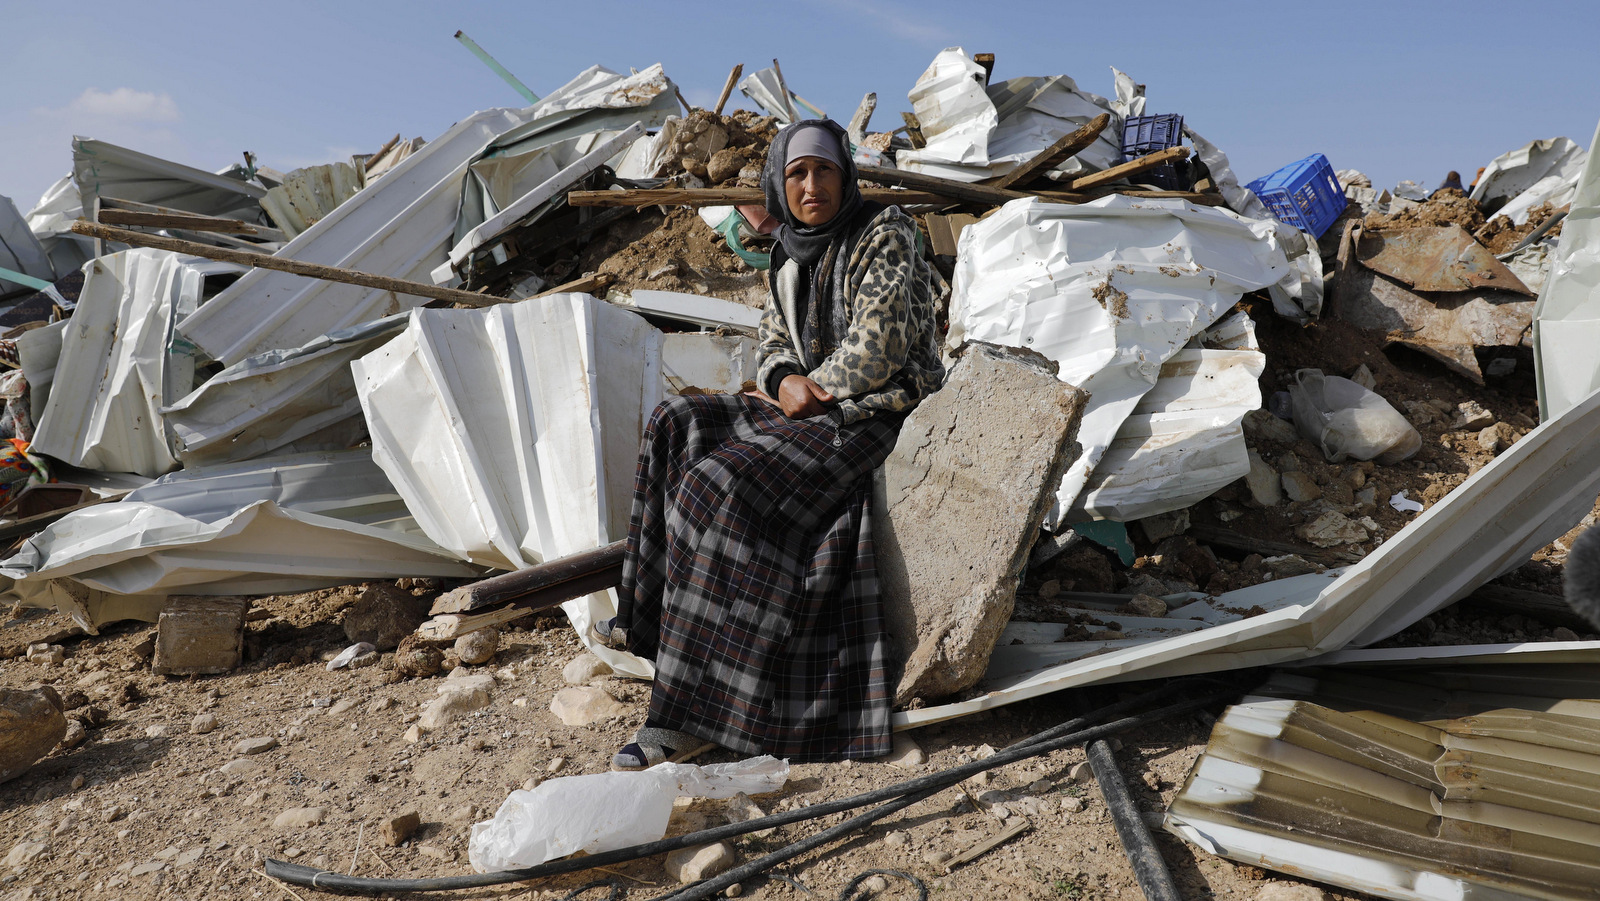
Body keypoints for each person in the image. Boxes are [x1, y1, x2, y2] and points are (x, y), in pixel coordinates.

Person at [605, 118, 946, 770]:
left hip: (875, 413)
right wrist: (784, 378)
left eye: (824, 170)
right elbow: (770, 342)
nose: (811, 184)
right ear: (779, 183)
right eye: (797, 173)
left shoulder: (886, 233)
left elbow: (880, 350)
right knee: (675, 421)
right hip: (807, 405)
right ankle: (649, 624)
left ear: (845, 175)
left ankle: (684, 714)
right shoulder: (788, 250)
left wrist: (803, 387)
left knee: (716, 484)